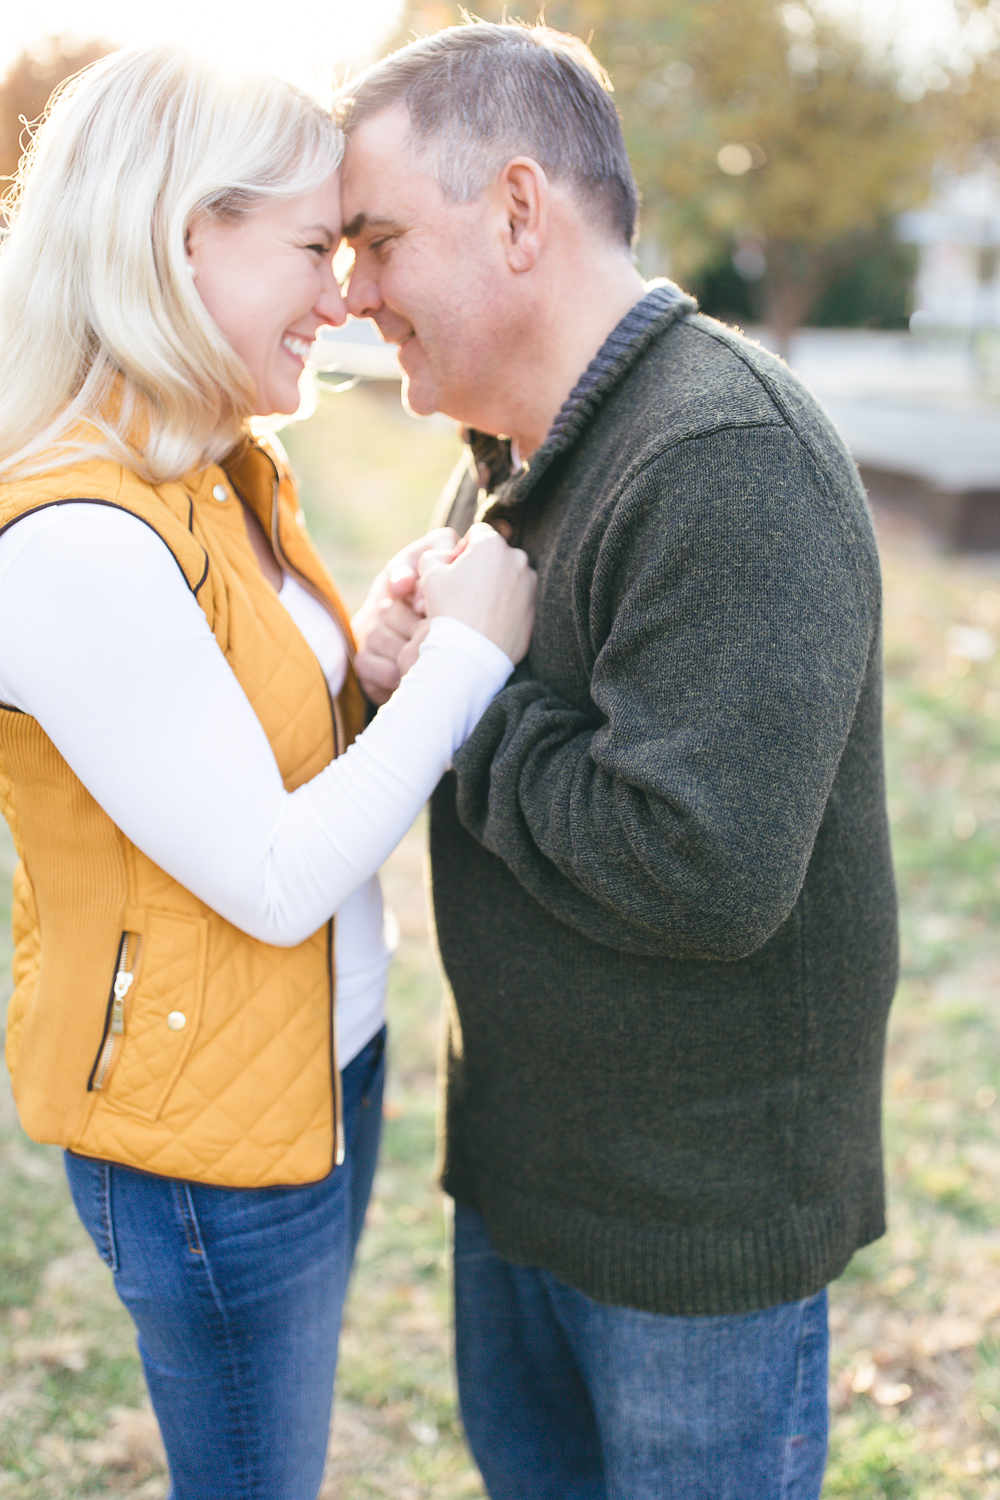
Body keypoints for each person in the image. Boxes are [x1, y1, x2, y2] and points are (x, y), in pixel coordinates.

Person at [339, 19, 899, 1500]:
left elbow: (701, 868)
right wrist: (429, 665)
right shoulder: (524, 446)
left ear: (520, 212)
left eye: (378, 237)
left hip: (686, 1246)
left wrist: (460, 696)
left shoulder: (722, 452)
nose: (353, 289)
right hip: (533, 1177)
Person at [0, 44, 534, 1500]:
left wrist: (367, 667)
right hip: (203, 1151)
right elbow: (279, 875)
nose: (348, 292)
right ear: (183, 241)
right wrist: (477, 660)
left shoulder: (212, 462)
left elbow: (241, 748)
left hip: (312, 1070)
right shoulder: (73, 545)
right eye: (316, 246)